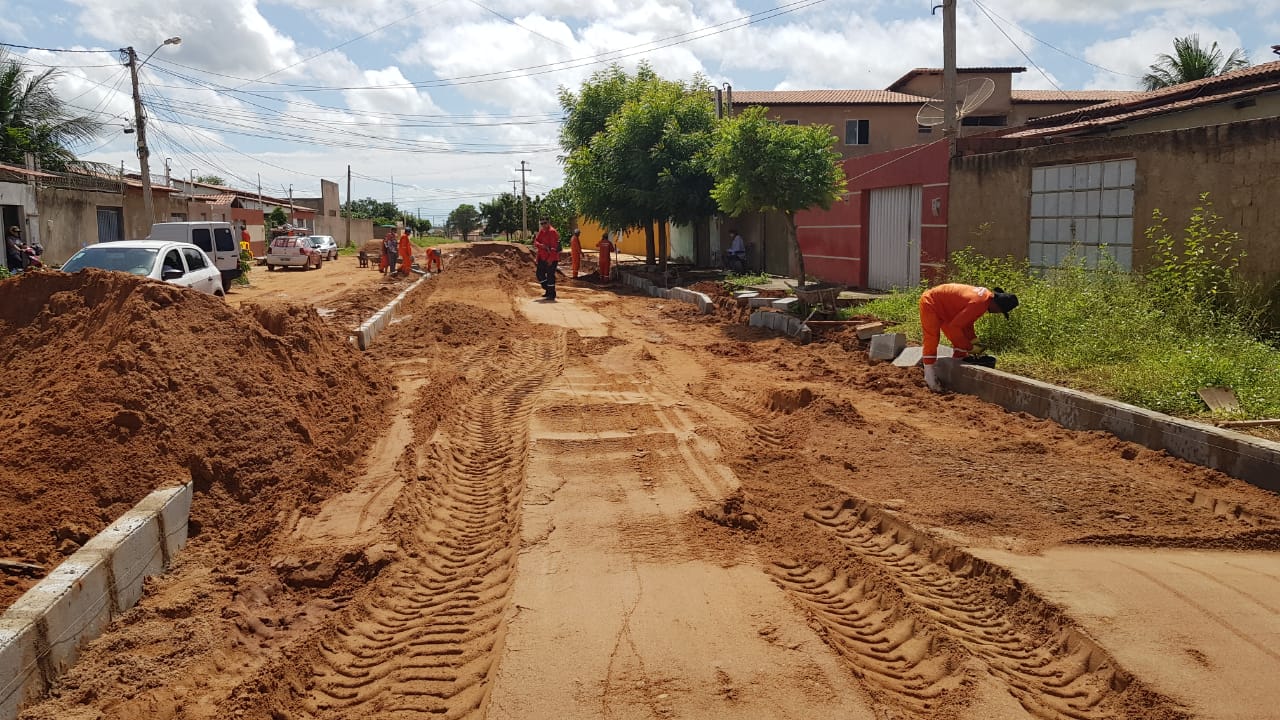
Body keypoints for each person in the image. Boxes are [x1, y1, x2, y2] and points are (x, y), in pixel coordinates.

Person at [918, 283, 1019, 392]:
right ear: (997, 306)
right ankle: (929, 377)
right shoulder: (979, 303)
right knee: (932, 338)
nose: (997, 313)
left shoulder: (985, 298)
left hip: (947, 308)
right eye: (1000, 311)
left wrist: (973, 340)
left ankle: (956, 370)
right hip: (932, 302)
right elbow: (955, 327)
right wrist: (969, 347)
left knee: (960, 341)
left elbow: (967, 322)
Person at [533, 217, 560, 300]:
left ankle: (551, 294)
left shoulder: (552, 232)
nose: (543, 225)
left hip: (551, 258)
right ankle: (548, 290)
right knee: (539, 274)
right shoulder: (542, 231)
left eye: (545, 223)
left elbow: (554, 248)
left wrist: (550, 259)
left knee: (550, 276)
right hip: (542, 257)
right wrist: (542, 246)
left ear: (548, 222)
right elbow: (536, 242)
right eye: (541, 223)